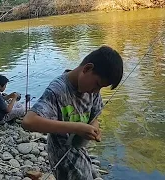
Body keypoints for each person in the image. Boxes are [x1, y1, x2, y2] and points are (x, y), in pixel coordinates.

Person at [22, 46, 123, 180]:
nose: (96, 91)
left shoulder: (92, 91)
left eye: (100, 88)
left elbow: (94, 118)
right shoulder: (57, 90)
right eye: (97, 84)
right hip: (62, 158)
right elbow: (29, 121)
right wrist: (76, 128)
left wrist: (94, 129)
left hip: (80, 151)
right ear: (87, 69)